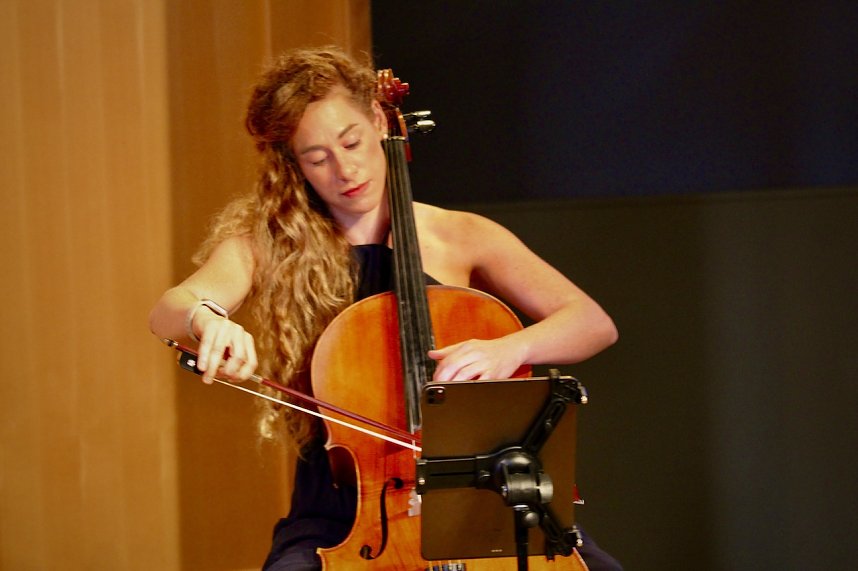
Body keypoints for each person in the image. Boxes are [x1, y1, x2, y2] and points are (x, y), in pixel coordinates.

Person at [149, 46, 622, 571]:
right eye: (317, 157)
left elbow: (592, 323)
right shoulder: (271, 244)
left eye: (351, 141)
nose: (344, 168)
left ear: (378, 120)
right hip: (345, 513)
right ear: (293, 164)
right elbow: (172, 307)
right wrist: (207, 318)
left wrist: (510, 348)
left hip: (482, 496)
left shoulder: (461, 235)